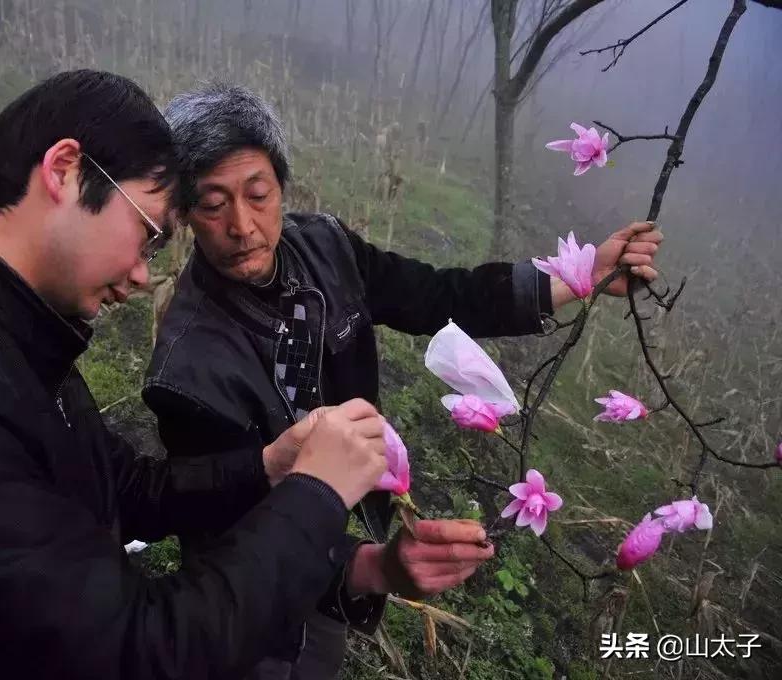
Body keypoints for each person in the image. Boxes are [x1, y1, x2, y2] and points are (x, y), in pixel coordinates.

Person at [0, 70, 393, 680]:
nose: (138, 275)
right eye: (147, 234)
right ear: (65, 171)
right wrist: (317, 495)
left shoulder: (2, 331)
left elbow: (118, 486)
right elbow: (135, 651)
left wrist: (270, 465)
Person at [142, 82, 665, 679]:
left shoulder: (325, 249)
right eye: (212, 204)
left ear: (281, 188)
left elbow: (436, 295)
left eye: (258, 194)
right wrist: (371, 567)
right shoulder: (186, 371)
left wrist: (575, 276)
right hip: (252, 596)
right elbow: (230, 543)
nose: (242, 224)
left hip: (342, 533)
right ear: (182, 213)